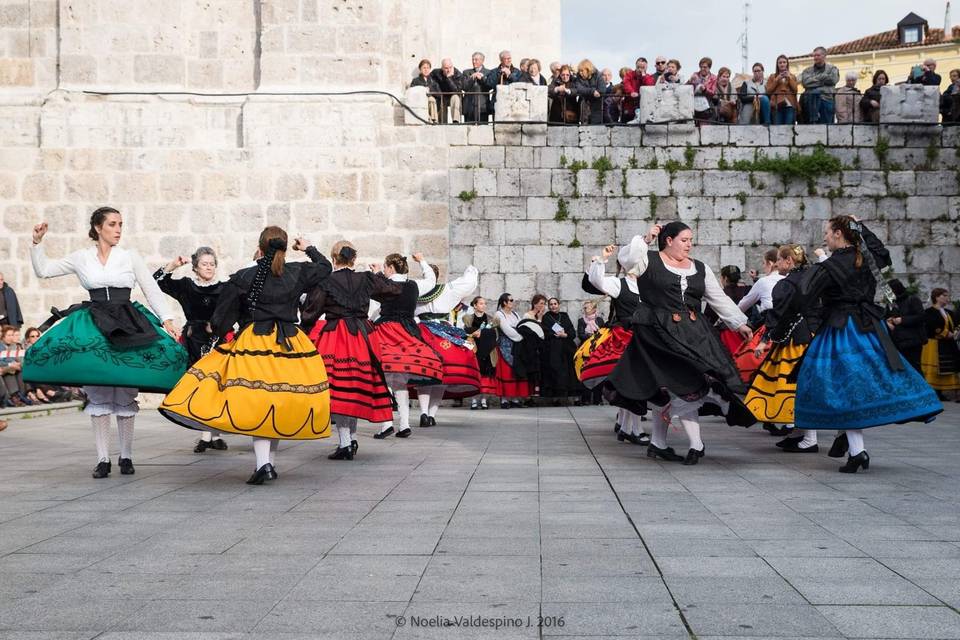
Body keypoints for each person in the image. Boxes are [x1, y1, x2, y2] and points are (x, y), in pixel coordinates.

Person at [160, 229, 333, 484]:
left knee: (260, 402)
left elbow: (223, 317)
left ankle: (265, 464)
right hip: (290, 343)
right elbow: (325, 267)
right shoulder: (296, 271)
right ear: (285, 249)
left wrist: (217, 332)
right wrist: (307, 247)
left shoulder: (244, 277)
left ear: (260, 248)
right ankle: (267, 464)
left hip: (256, 340)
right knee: (273, 401)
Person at [26, 208, 186, 478]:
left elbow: (150, 287)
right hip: (94, 325)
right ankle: (102, 459)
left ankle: (126, 456)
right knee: (98, 392)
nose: (118, 229)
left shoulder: (129, 256)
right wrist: (37, 242)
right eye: (112, 224)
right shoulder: (82, 257)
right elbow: (44, 270)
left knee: (124, 390)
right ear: (98, 228)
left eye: (121, 224)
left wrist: (167, 319)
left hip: (128, 322)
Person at [777, 216, 941, 472]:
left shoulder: (832, 266)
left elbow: (803, 297)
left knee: (835, 387)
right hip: (868, 329)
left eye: (828, 233)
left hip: (841, 330)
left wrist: (778, 330)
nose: (825, 238)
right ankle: (857, 451)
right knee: (854, 389)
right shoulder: (865, 259)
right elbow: (882, 253)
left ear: (839, 234)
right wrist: (861, 226)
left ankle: (854, 450)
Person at [606, 222, 755, 465]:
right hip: (657, 335)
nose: (689, 244)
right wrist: (645, 238)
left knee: (675, 389)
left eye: (690, 240)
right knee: (680, 385)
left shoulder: (700, 268)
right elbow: (628, 258)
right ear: (669, 240)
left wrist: (739, 323)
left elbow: (718, 299)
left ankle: (658, 443)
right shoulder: (648, 260)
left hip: (695, 334)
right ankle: (695, 444)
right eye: (684, 240)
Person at [302, 241, 403, 460]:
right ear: (354, 260)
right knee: (355, 386)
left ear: (333, 259)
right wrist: (380, 276)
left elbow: (311, 311)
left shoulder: (326, 281)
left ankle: (346, 442)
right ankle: (351, 440)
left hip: (336, 337)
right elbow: (395, 290)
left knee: (339, 389)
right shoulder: (365, 279)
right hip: (363, 336)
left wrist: (304, 332)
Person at [744, 245, 821, 452]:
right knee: (800, 385)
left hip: (795, 340)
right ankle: (797, 433)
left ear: (789, 261)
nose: (776, 264)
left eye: (779, 260)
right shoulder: (814, 276)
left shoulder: (788, 284)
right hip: (812, 335)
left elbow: (779, 315)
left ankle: (810, 439)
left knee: (795, 386)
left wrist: (765, 339)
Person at [154, 247, 229, 453]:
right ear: (195, 267)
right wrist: (173, 265)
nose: (209, 267)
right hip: (193, 339)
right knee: (199, 385)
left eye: (212, 264)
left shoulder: (224, 288)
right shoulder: (187, 286)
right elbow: (157, 281)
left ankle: (213, 435)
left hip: (216, 339)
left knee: (216, 385)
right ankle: (206, 434)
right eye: (204, 264)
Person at [367, 253, 443, 439]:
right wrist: (422, 260)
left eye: (385, 267)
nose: (384, 270)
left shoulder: (385, 283)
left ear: (391, 268)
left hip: (386, 332)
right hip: (407, 331)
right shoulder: (413, 285)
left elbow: (378, 290)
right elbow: (432, 280)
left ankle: (386, 424)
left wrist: (377, 274)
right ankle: (404, 424)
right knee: (399, 379)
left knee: (382, 378)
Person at [584, 238, 649, 443]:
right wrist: (602, 259)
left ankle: (627, 427)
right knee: (633, 384)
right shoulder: (619, 284)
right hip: (626, 339)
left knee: (636, 384)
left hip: (644, 339)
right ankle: (634, 429)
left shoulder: (647, 287)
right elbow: (597, 281)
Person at [413, 264, 480, 426]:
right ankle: (431, 415)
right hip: (443, 333)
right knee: (443, 377)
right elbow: (468, 282)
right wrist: (471, 269)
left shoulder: (414, 292)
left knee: (425, 374)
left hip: (421, 332)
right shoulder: (447, 289)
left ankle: (423, 413)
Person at [921, 287, 960, 400]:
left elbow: (956, 323)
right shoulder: (929, 312)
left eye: (948, 296)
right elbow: (933, 326)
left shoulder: (949, 312)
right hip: (934, 344)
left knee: (948, 367)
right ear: (937, 297)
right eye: (945, 296)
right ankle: (935, 391)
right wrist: (945, 333)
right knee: (935, 368)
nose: (947, 298)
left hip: (948, 344)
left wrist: (956, 331)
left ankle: (943, 391)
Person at [494, 293, 531, 408]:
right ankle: (504, 399)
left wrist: (523, 335)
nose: (512, 302)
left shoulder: (515, 314)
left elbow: (521, 325)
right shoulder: (499, 314)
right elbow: (506, 329)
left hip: (517, 345)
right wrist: (520, 337)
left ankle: (515, 398)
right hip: (505, 345)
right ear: (504, 302)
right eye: (511, 300)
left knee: (516, 370)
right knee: (506, 372)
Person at [461, 296, 497, 410]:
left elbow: (495, 335)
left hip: (487, 351)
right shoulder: (468, 318)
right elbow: (465, 332)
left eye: (485, 303)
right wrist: (474, 332)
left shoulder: (491, 319)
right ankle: (474, 400)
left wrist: (482, 333)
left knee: (486, 375)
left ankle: (484, 399)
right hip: (474, 349)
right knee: (475, 375)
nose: (483, 305)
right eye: (481, 303)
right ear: (475, 305)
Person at [886, 279, 926, 374]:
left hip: (913, 341)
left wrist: (902, 320)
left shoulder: (912, 299)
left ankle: (920, 388)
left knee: (915, 368)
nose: (887, 294)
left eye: (889, 291)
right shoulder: (891, 304)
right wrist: (888, 322)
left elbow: (921, 316)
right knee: (903, 370)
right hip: (898, 342)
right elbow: (886, 317)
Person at [576, 300, 606, 405]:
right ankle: (586, 398)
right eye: (584, 308)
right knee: (586, 374)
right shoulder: (581, 321)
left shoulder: (599, 320)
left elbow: (604, 334)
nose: (585, 310)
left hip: (598, 351)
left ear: (594, 309)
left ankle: (598, 399)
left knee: (598, 374)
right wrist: (591, 336)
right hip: (586, 350)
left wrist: (596, 337)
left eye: (587, 308)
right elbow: (580, 334)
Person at [799, 46, 839, 124]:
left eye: (818, 55)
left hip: (827, 98)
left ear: (824, 56)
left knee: (826, 127)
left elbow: (833, 80)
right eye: (814, 55)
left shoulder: (832, 69)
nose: (815, 57)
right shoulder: (807, 70)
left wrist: (814, 81)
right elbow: (805, 83)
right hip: (810, 101)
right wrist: (823, 79)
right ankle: (813, 120)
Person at [484, 50, 521, 119]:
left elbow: (519, 84)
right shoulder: (494, 71)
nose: (508, 60)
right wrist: (499, 74)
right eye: (506, 59)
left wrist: (509, 75)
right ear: (501, 60)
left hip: (512, 103)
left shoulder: (517, 71)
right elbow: (489, 84)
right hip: (498, 102)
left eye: (509, 58)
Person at [766, 55, 799, 125]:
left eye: (784, 62)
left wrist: (789, 78)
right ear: (777, 65)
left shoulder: (792, 76)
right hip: (777, 105)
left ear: (787, 64)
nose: (782, 64)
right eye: (780, 63)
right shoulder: (772, 76)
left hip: (790, 105)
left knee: (788, 128)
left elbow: (795, 90)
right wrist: (776, 79)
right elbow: (768, 91)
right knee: (778, 129)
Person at [429, 58, 464, 123]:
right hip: (441, 95)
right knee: (441, 101)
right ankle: (442, 122)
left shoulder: (457, 74)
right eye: (446, 68)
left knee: (455, 97)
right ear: (442, 68)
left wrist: (449, 79)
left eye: (450, 67)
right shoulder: (435, 73)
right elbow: (431, 85)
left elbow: (457, 90)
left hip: (452, 95)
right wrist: (439, 95)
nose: (448, 70)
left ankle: (455, 121)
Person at [622, 57, 656, 124]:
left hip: (642, 109)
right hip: (629, 107)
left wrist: (644, 75)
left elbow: (650, 85)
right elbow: (626, 84)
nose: (640, 69)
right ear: (636, 66)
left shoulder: (648, 77)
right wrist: (631, 92)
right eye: (638, 67)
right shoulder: (629, 75)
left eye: (643, 67)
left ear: (646, 67)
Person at [0, 326, 27, 407]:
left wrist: (15, 364)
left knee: (19, 369)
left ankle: (20, 395)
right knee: (11, 369)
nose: (11, 337)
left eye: (12, 335)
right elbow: (2, 360)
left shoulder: (11, 346)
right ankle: (14, 396)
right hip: (3, 368)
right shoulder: (2, 345)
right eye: (9, 335)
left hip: (7, 367)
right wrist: (10, 364)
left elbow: (15, 359)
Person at [575, 59, 607, 125]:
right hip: (584, 107)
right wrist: (592, 91)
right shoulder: (578, 77)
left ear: (588, 70)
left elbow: (602, 89)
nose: (580, 73)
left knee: (596, 126)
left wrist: (586, 91)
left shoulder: (598, 75)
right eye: (579, 71)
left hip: (597, 106)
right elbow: (579, 88)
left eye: (582, 71)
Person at [462, 51, 491, 123]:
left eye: (476, 60)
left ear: (482, 60)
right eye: (473, 59)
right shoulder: (466, 72)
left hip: (482, 107)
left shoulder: (488, 72)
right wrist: (472, 78)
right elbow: (464, 87)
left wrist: (482, 78)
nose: (474, 62)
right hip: (469, 107)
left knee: (483, 129)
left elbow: (489, 86)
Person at [688, 57, 717, 124]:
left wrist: (705, 90)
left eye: (705, 67)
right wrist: (690, 81)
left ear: (709, 68)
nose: (702, 69)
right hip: (694, 104)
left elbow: (713, 92)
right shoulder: (695, 75)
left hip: (707, 105)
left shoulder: (714, 78)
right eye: (701, 67)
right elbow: (686, 88)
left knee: (704, 125)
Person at [410, 59, 441, 123]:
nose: (426, 70)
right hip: (420, 101)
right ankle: (434, 119)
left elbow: (439, 94)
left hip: (433, 102)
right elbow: (412, 93)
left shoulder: (434, 81)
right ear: (420, 69)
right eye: (424, 68)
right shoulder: (415, 80)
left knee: (431, 99)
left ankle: (433, 119)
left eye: (428, 68)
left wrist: (429, 90)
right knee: (431, 99)